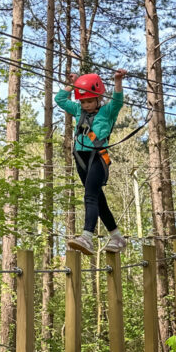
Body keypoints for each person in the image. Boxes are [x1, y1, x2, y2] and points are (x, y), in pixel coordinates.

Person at [56, 68, 128, 255]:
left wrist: (118, 81)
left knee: (90, 196)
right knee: (98, 200)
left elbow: (117, 100)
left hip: (98, 158)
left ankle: (87, 237)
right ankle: (117, 237)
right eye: (83, 101)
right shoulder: (78, 110)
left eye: (89, 101)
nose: (86, 105)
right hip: (80, 159)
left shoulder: (107, 112)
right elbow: (60, 100)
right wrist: (72, 85)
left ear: (98, 98)